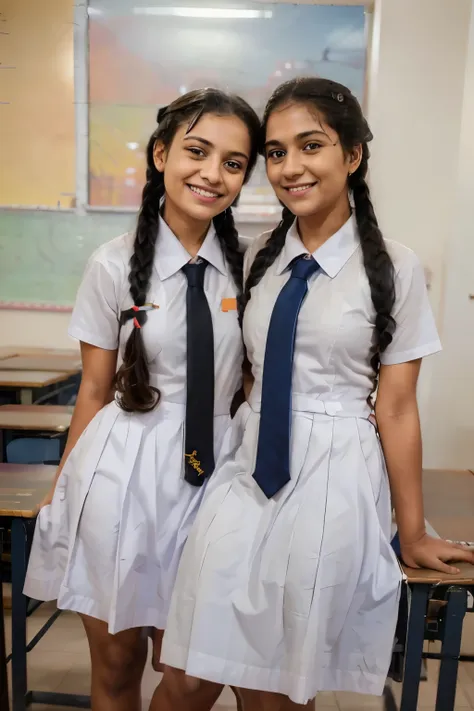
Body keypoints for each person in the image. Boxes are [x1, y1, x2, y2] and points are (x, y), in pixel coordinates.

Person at [156, 78, 474, 710]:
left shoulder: (396, 267)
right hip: (247, 473)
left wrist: (410, 532)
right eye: (275, 152)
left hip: (334, 475)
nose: (290, 168)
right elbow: (247, 374)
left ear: (352, 155)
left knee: (273, 683)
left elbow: (398, 406)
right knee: (188, 677)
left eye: (310, 146)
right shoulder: (258, 260)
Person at [23, 88, 260, 711]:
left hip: (215, 475)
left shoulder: (251, 267)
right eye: (197, 152)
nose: (212, 174)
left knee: (191, 670)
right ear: (161, 154)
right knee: (119, 662)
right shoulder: (110, 265)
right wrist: (65, 488)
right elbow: (94, 390)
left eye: (233, 163)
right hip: (124, 471)